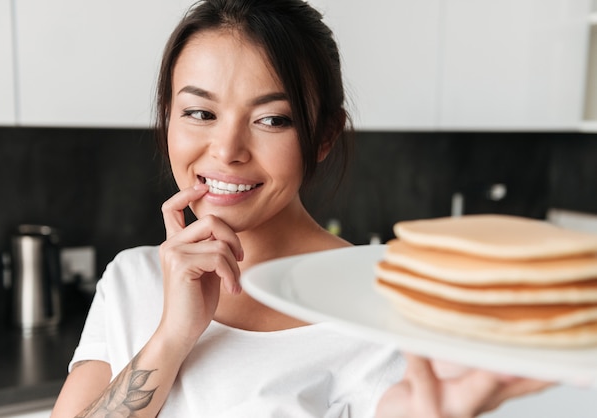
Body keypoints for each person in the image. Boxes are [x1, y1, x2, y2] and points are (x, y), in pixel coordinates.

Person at [51, 0, 550, 416]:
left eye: (271, 120)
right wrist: (172, 336)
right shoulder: (131, 279)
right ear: (168, 118)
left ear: (324, 137)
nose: (227, 150)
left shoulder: (375, 311)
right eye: (199, 112)